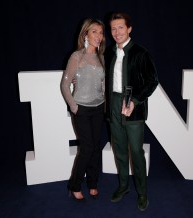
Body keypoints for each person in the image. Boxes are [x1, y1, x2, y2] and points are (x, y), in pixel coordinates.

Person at [104, 12, 158, 211]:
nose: (116, 32)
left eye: (120, 27)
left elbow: (153, 81)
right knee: (119, 150)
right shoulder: (108, 53)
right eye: (113, 28)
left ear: (129, 29)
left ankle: (142, 193)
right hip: (113, 107)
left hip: (133, 109)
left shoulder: (141, 53)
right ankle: (124, 186)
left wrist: (135, 101)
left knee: (136, 152)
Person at [60, 18, 106, 201]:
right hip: (82, 109)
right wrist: (74, 106)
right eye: (94, 31)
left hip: (98, 108)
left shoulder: (102, 58)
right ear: (85, 34)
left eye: (101, 32)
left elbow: (102, 85)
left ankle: (93, 183)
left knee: (95, 148)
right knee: (87, 148)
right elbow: (64, 85)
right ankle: (74, 185)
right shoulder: (76, 57)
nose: (99, 36)